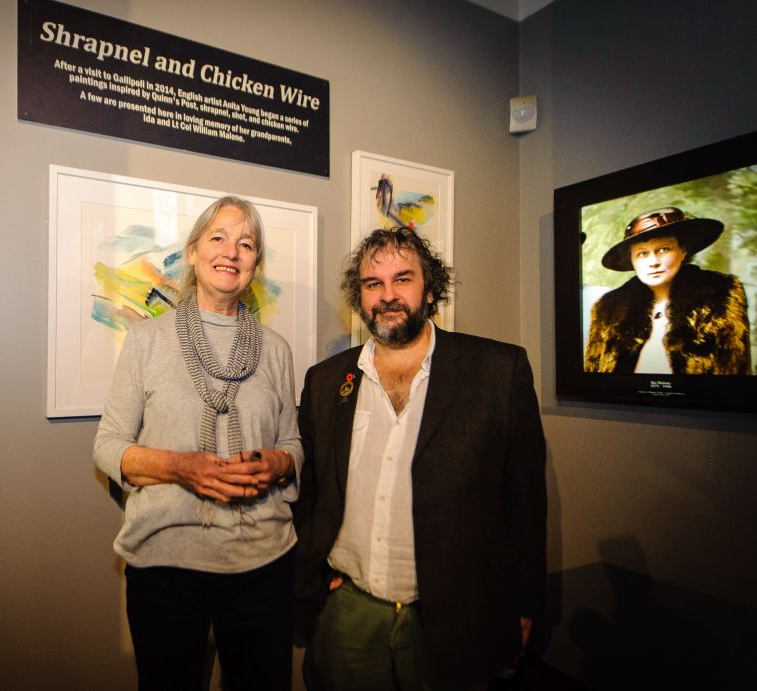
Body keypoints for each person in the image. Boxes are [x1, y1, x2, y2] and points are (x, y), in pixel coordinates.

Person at [293, 226, 547, 691]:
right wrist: (313, 577)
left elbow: (525, 500)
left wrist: (525, 604)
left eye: (403, 279)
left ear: (430, 290)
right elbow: (307, 492)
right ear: (360, 296)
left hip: (460, 615)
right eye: (373, 284)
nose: (388, 296)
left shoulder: (498, 371)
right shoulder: (326, 381)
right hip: (349, 611)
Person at [93, 196, 302, 691]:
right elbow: (107, 446)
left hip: (264, 564)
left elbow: (293, 443)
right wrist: (181, 467)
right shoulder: (146, 341)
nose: (231, 251)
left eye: (246, 243)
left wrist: (277, 462)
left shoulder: (275, 350)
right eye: (218, 238)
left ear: (255, 263)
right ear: (192, 253)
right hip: (166, 565)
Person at [584, 207, 751, 375]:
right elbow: (595, 380)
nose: (653, 262)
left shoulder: (719, 295)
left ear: (683, 251)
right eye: (642, 254)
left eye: (663, 249)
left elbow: (733, 378)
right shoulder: (608, 309)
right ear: (632, 261)